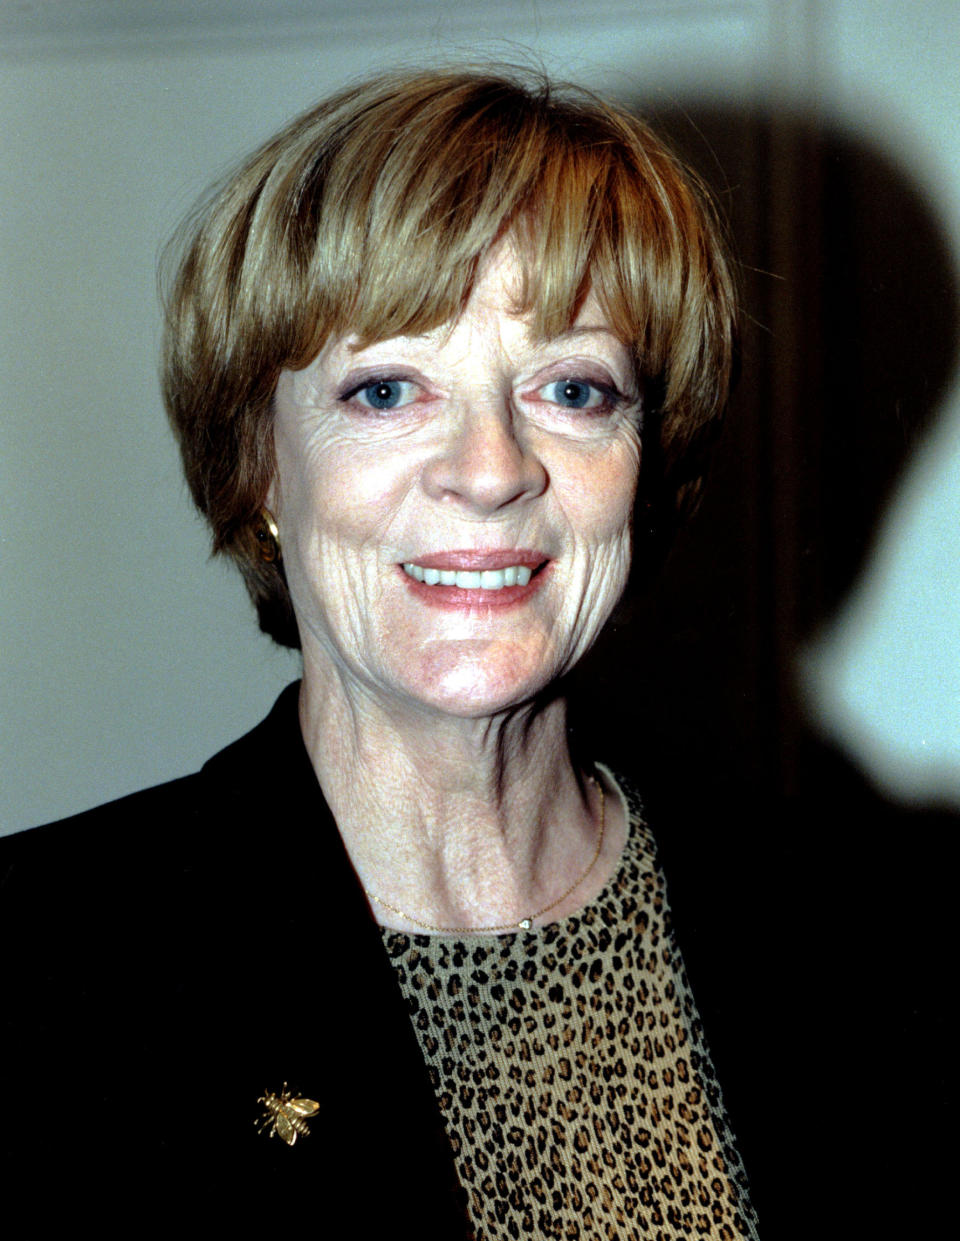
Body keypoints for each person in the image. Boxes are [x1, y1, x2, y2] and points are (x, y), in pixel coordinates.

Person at [1, 68, 752, 1238]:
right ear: (257, 465)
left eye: (572, 386)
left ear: (647, 464)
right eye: (388, 387)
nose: (491, 466)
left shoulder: (877, 935)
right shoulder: (40, 977)